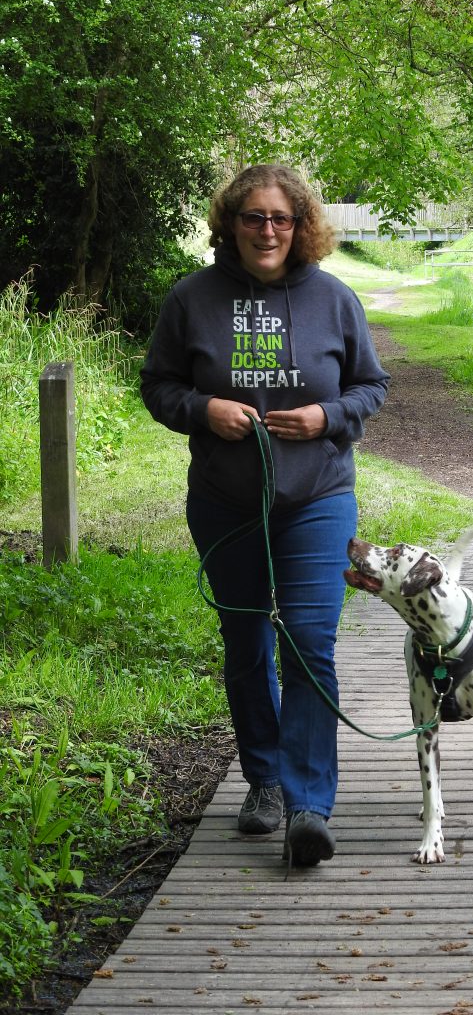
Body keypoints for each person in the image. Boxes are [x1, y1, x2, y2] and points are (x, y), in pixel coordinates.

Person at [140, 164, 389, 866]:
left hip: (317, 498)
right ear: (231, 223)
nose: (268, 230)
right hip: (225, 502)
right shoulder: (192, 299)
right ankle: (265, 782)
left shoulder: (335, 301)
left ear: (302, 224)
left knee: (308, 642)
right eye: (254, 217)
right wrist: (201, 409)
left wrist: (326, 416)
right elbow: (157, 384)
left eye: (281, 218)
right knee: (247, 642)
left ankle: (309, 806)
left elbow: (372, 384)